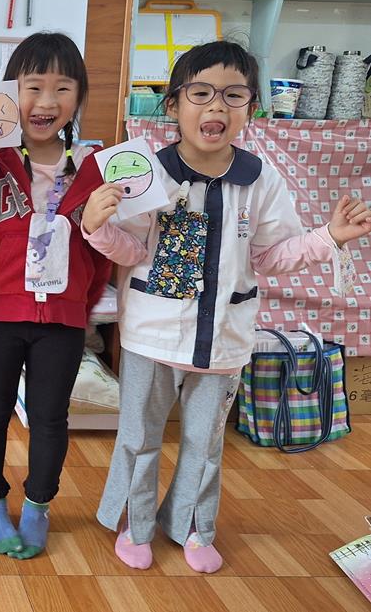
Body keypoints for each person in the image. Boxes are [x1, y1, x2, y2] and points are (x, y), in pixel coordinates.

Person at [83, 40, 371, 573]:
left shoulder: (261, 179)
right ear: (173, 104)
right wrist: (97, 227)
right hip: (151, 333)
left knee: (206, 442)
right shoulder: (147, 172)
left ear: (251, 108)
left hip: (224, 338)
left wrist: (328, 237)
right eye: (200, 93)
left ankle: (194, 527)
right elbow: (133, 251)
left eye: (233, 95)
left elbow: (271, 256)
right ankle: (135, 524)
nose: (216, 106)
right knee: (139, 437)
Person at [0, 32, 111, 559]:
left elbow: (103, 252)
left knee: (50, 417)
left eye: (62, 88)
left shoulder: (94, 166)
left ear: (78, 96)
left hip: (61, 320)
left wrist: (78, 306)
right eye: (32, 87)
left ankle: (39, 503)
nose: (45, 101)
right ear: (8, 93)